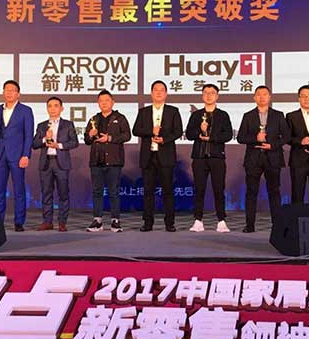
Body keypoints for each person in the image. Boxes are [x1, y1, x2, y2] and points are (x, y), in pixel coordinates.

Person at [237, 85, 290, 232]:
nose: (262, 97)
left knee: (274, 192)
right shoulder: (248, 116)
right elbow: (241, 137)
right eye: (259, 94)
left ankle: (277, 225)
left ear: (269, 97)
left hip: (273, 158)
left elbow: (286, 136)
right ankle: (249, 225)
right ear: (254, 97)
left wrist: (272, 145)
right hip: (253, 159)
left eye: (265, 94)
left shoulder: (278, 115)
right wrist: (256, 138)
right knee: (251, 192)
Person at [132, 80, 183, 232]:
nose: (159, 92)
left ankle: (170, 223)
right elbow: (136, 130)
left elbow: (178, 131)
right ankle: (148, 223)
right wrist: (151, 131)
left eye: (162, 90)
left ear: (166, 94)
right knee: (148, 191)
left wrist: (164, 139)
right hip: (148, 156)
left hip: (166, 156)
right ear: (151, 93)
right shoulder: (144, 112)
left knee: (168, 191)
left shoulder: (173, 111)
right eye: (156, 90)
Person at [185, 83, 233, 232]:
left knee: (219, 189)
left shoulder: (223, 115)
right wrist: (200, 132)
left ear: (217, 96)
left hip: (217, 157)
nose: (208, 95)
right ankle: (198, 220)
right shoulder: (196, 115)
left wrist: (211, 137)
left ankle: (221, 220)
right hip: (199, 157)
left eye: (212, 93)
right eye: (206, 92)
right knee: (199, 189)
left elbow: (228, 135)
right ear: (202, 95)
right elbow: (189, 134)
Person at [0, 80, 34, 232]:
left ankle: (19, 222)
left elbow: (29, 135)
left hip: (17, 155)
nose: (9, 93)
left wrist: (26, 155)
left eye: (12, 90)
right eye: (6, 90)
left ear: (18, 94)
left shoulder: (25, 110)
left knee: (19, 190)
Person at [84, 90, 131, 232]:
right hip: (96, 160)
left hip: (114, 160)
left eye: (107, 100)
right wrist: (90, 135)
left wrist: (109, 138)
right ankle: (97, 221)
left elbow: (127, 135)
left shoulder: (120, 118)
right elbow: (87, 140)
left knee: (113, 191)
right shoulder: (94, 119)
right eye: (101, 101)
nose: (104, 103)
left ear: (112, 102)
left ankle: (115, 221)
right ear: (98, 103)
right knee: (97, 191)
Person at [32, 96, 78, 232]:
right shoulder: (42, 125)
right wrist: (44, 138)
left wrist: (59, 145)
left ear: (61, 108)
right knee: (46, 193)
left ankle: (62, 222)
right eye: (50, 106)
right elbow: (34, 144)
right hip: (46, 163)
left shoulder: (68, 125)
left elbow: (74, 142)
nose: (52, 108)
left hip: (61, 163)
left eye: (56, 106)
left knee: (63, 193)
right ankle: (47, 222)